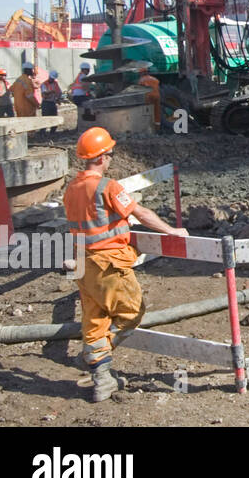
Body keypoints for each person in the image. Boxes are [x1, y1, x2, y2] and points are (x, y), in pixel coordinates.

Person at [63, 127, 188, 402]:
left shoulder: (71, 188)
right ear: (103, 157)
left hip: (84, 266)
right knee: (132, 312)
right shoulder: (107, 187)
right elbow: (139, 213)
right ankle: (96, 357)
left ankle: (102, 380)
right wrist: (172, 231)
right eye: (109, 154)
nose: (111, 158)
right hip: (109, 264)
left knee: (94, 322)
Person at [136, 63, 162, 131]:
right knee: (157, 112)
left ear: (141, 73)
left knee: (147, 113)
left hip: (148, 97)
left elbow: (140, 91)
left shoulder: (141, 80)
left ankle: (149, 128)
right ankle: (157, 129)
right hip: (157, 97)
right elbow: (158, 87)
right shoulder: (155, 79)